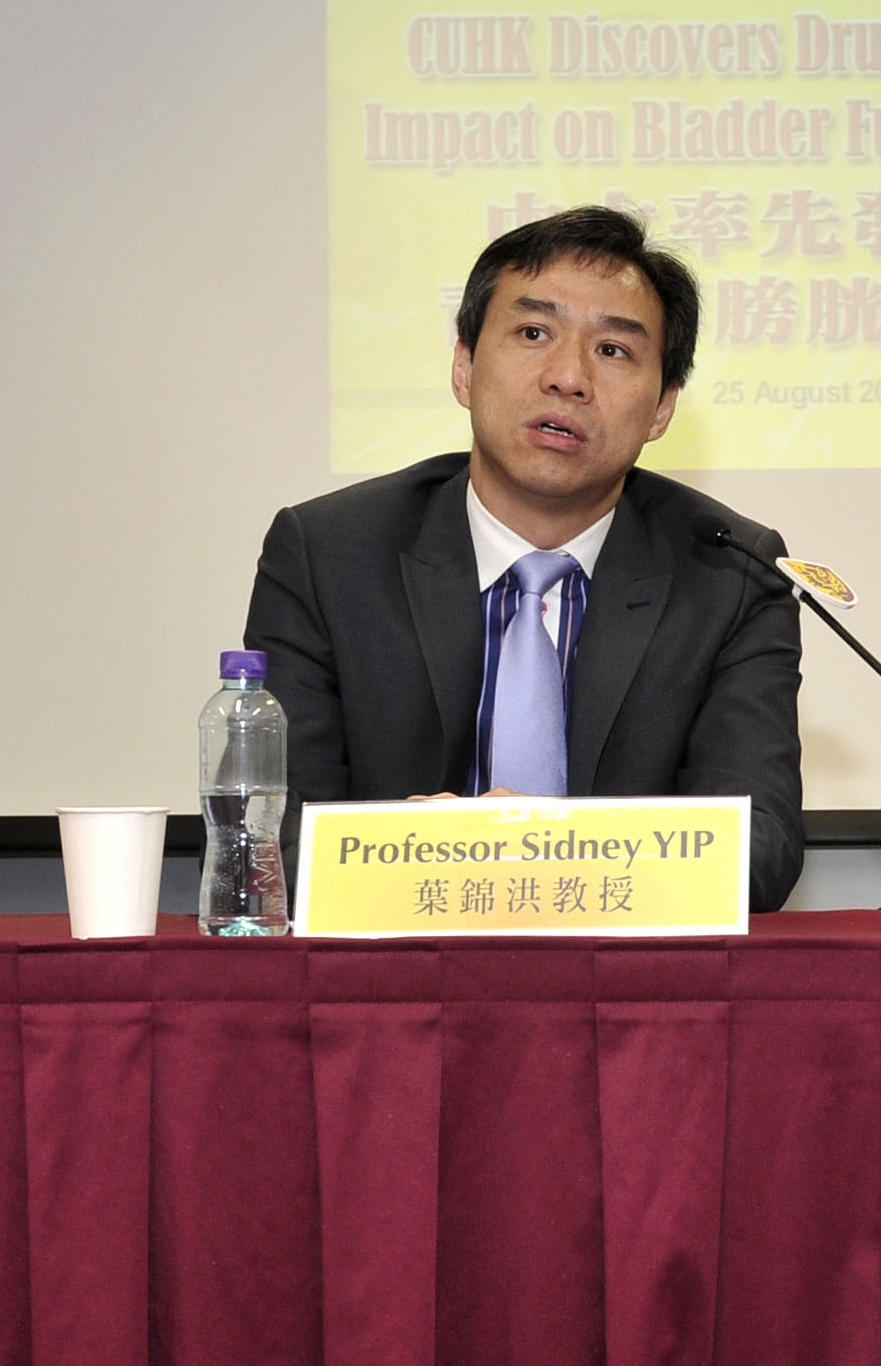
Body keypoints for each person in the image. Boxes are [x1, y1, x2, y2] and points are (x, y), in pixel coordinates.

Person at [243, 205, 804, 911]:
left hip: (632, 994)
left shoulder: (731, 575)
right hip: (393, 989)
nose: (568, 378)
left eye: (614, 350)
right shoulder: (328, 556)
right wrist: (435, 863)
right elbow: (268, 837)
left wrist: (515, 855)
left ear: (662, 408)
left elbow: (761, 848)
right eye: (533, 332)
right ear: (464, 365)